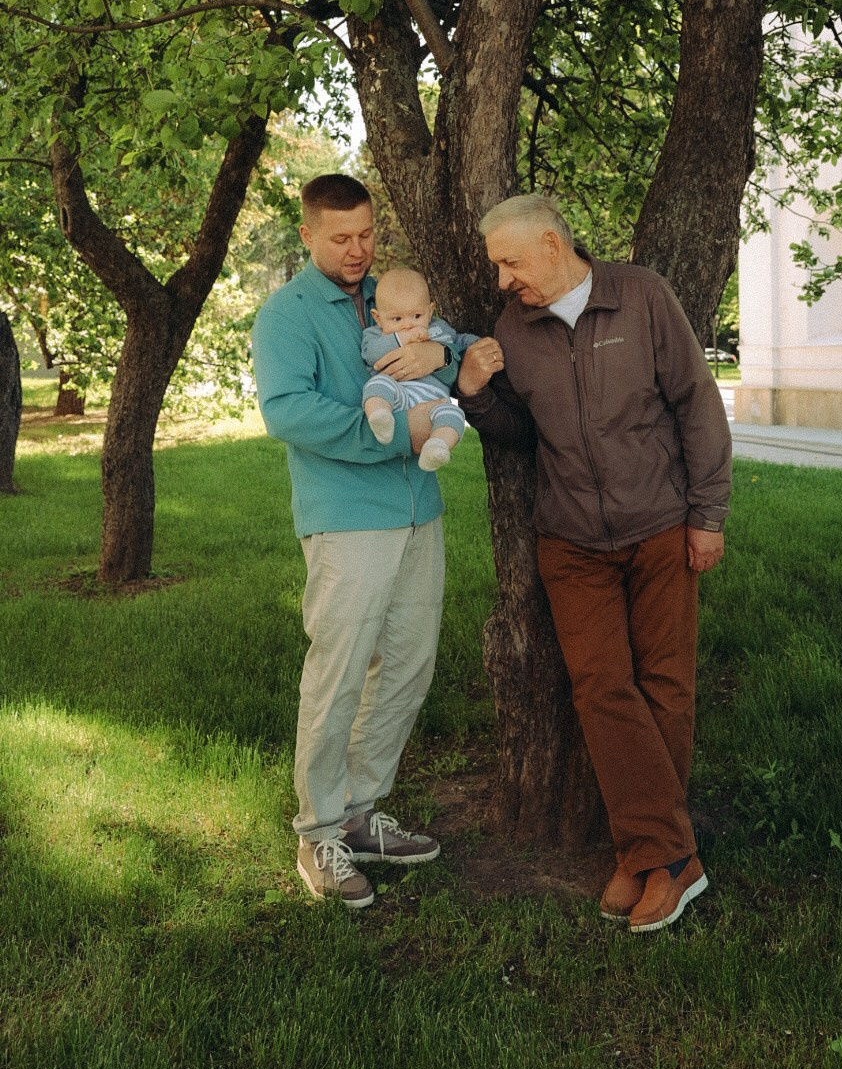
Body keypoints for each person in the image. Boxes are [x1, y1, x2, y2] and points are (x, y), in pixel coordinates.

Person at [456, 194, 731, 933]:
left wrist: (708, 514)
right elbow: (522, 430)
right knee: (601, 689)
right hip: (571, 539)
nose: (504, 281)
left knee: (666, 688)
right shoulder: (516, 327)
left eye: (511, 262)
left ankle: (646, 856)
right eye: (497, 268)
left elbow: (696, 403)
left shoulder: (640, 296)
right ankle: (669, 855)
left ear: (551, 243)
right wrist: (477, 399)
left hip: (660, 526)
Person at [251, 174, 462, 910]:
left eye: (367, 233)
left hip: (419, 510)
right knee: (339, 673)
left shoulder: (392, 293)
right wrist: (395, 436)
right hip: (344, 515)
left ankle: (365, 813)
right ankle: (317, 834)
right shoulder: (286, 314)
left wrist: (443, 359)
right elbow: (287, 411)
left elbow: (457, 348)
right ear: (307, 233)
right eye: (340, 237)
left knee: (408, 663)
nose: (357, 249)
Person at [361, 266, 478, 472]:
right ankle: (380, 416)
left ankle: (437, 446)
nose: (408, 325)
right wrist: (402, 339)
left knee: (453, 413)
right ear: (378, 318)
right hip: (397, 395)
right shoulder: (375, 334)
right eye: (397, 319)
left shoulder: (438, 328)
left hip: (434, 401)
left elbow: (458, 342)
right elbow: (371, 354)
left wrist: (479, 345)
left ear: (430, 311)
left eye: (416, 315)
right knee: (378, 385)